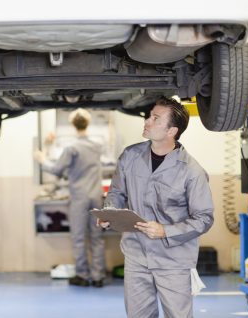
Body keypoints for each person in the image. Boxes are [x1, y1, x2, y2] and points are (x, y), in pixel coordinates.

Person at [98, 97, 214, 317]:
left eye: (155, 118)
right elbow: (116, 193)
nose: (147, 121)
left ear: (172, 131)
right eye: (149, 115)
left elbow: (204, 218)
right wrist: (110, 212)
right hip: (136, 255)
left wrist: (166, 231)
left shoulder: (191, 171)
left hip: (173, 261)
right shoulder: (130, 156)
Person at [34, 108, 106, 287]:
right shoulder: (97, 146)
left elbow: (57, 170)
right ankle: (98, 277)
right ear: (87, 123)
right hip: (97, 197)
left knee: (79, 237)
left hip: (80, 198)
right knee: (97, 237)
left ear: (73, 125)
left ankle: (82, 275)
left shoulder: (72, 148)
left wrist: (42, 159)